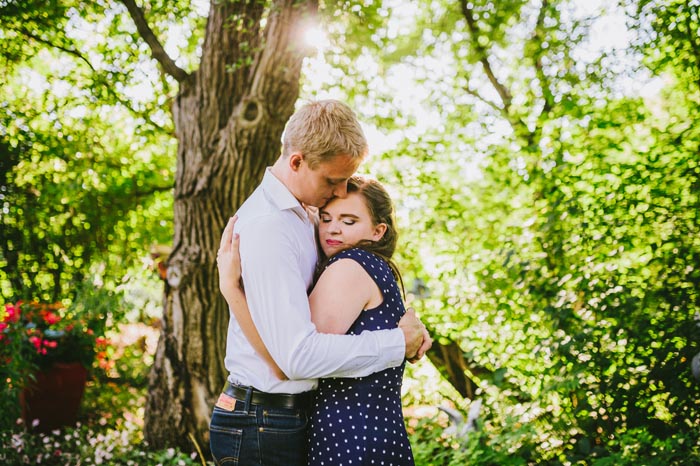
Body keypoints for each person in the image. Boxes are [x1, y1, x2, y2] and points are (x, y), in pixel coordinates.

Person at [209, 99, 431, 466]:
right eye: (332, 181)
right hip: (263, 420)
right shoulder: (271, 227)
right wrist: (396, 342)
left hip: (288, 415)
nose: (341, 192)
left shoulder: (309, 213)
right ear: (297, 162)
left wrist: (408, 324)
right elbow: (294, 360)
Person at [222, 175, 417, 465]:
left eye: (349, 221)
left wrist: (231, 289)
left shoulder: (348, 267)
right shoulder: (375, 266)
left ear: (378, 231)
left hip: (350, 438)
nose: (333, 228)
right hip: (375, 432)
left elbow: (287, 362)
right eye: (325, 219)